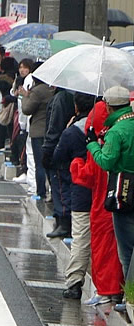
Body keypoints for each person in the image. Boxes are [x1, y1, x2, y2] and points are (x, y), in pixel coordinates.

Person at [67, 100, 124, 303]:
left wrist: (76, 163)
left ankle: (106, 291)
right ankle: (119, 290)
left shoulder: (100, 144)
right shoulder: (121, 133)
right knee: (121, 250)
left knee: (102, 247)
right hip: (122, 198)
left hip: (102, 202)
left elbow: (88, 175)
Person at [86, 85, 134, 312]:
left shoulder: (117, 131)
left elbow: (106, 161)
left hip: (124, 192)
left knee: (126, 250)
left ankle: (129, 298)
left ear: (109, 105)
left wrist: (93, 144)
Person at [52, 92, 96, 300]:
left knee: (80, 237)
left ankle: (75, 283)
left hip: (81, 190)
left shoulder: (73, 131)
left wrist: (69, 126)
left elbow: (58, 156)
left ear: (76, 107)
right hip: (106, 189)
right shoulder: (106, 127)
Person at [43, 87, 76, 237]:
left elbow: (54, 127)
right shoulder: (69, 97)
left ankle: (63, 222)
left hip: (59, 148)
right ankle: (62, 220)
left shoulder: (61, 98)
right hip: (69, 147)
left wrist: (48, 150)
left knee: (60, 185)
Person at [21, 68, 54, 200]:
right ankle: (52, 191)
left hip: (38, 131)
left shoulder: (38, 91)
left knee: (39, 163)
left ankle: (41, 192)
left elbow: (27, 109)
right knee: (49, 163)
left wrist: (25, 96)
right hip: (50, 130)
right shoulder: (52, 90)